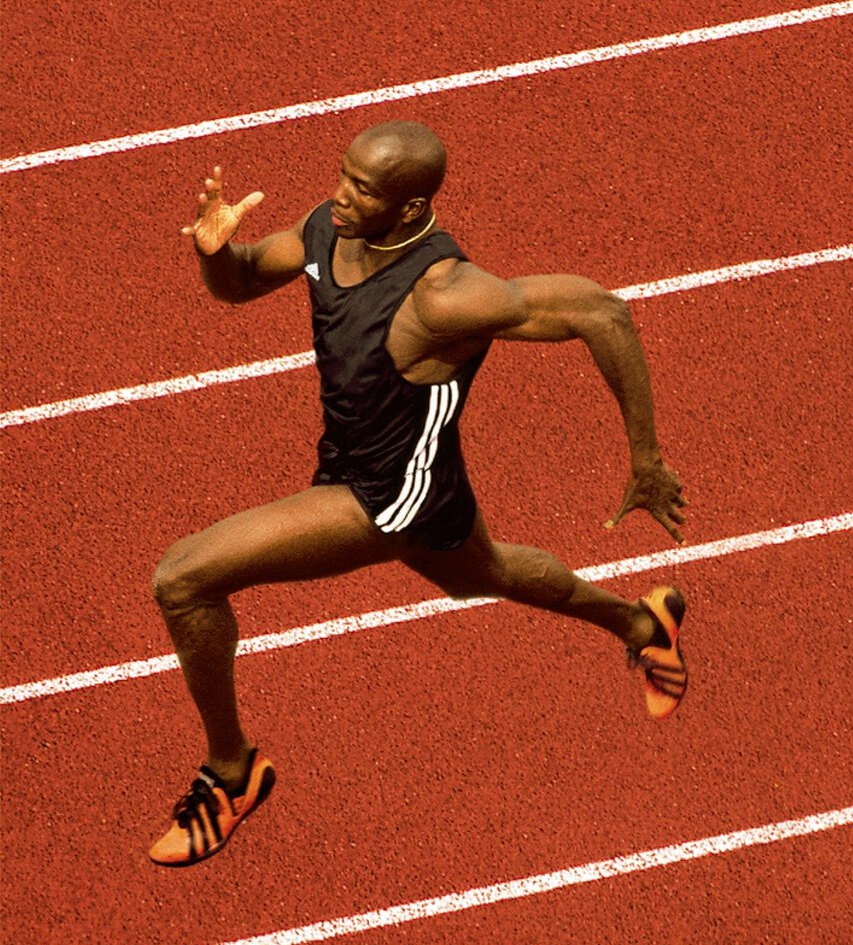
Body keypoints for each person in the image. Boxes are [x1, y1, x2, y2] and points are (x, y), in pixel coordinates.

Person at [149, 120, 692, 867]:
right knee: (488, 574)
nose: (339, 195)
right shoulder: (327, 229)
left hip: (388, 496)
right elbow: (240, 281)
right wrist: (212, 252)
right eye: (342, 175)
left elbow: (602, 311)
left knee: (184, 578)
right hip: (388, 469)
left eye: (362, 190)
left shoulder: (445, 296)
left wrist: (646, 459)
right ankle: (642, 623)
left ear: (409, 210)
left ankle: (234, 772)